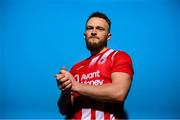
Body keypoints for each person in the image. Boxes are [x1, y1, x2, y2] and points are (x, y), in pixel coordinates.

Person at [55, 12, 134, 120]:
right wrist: (66, 89)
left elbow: (119, 93)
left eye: (100, 29)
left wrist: (76, 85)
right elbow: (64, 110)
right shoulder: (76, 68)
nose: (93, 32)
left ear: (108, 36)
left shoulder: (118, 57)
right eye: (90, 28)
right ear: (85, 35)